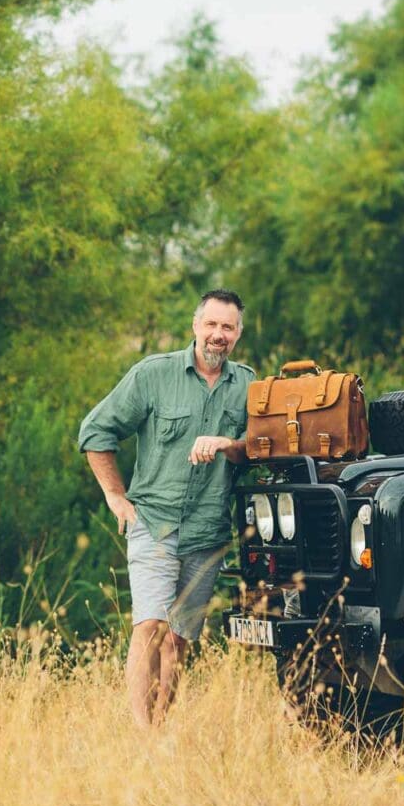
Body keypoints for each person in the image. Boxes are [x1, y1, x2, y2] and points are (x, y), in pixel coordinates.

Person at [78, 289, 253, 726]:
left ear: (238, 335)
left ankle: (159, 728)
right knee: (150, 627)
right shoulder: (153, 375)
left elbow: (260, 450)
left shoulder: (249, 385)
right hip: (154, 523)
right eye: (211, 325)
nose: (218, 335)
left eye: (227, 328)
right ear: (195, 326)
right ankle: (142, 734)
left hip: (209, 532)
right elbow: (96, 431)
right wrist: (115, 496)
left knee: (177, 642)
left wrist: (228, 444)